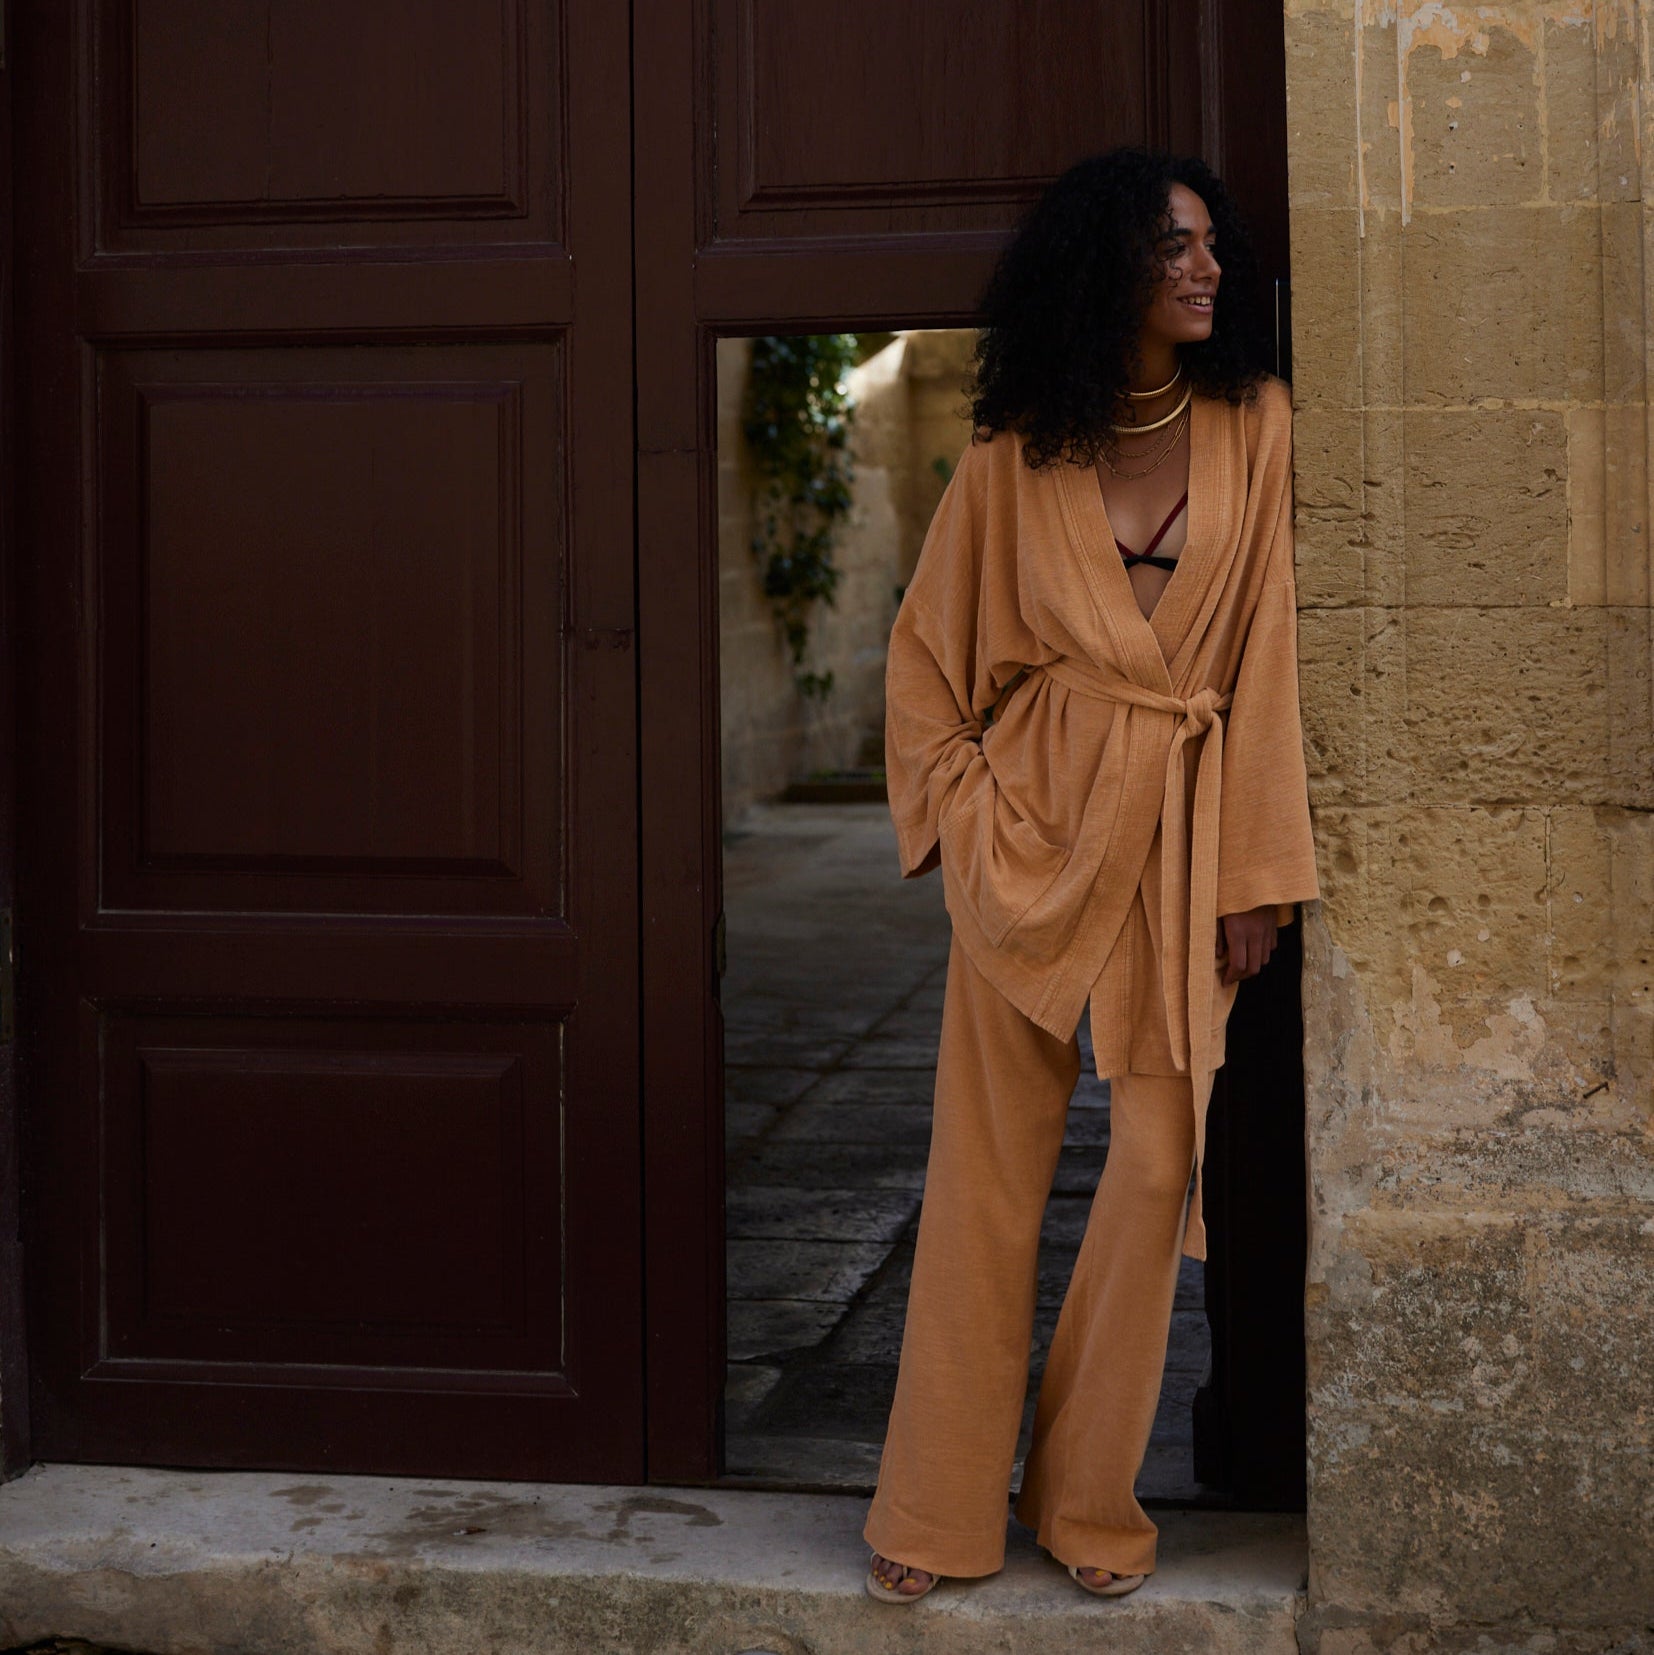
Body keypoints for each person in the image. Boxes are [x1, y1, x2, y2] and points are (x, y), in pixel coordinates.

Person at [862, 148, 1320, 1605]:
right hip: (1029, 843)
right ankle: (935, 1512)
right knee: (985, 1178)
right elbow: (926, 659)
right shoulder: (1016, 455)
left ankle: (1081, 1498)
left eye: (1209, 244)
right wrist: (963, 817)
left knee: (1155, 1166)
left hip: (1180, 850)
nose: (1206, 268)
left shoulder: (1257, 425)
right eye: (1171, 247)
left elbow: (1268, 662)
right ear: (1100, 268)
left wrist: (1253, 874)